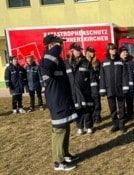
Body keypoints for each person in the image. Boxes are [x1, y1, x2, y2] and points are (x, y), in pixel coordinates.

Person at [39, 34, 78, 171]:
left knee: (65, 127)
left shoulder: (57, 60)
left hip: (63, 99)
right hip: (56, 101)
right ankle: (58, 162)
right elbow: (47, 66)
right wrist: (54, 49)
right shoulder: (47, 60)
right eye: (58, 44)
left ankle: (65, 154)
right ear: (50, 46)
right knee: (59, 130)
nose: (61, 47)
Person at [65, 43, 95, 135]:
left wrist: (94, 91)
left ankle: (89, 127)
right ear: (72, 51)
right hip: (72, 92)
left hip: (85, 91)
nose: (79, 52)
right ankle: (80, 127)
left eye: (80, 50)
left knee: (86, 109)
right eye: (77, 50)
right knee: (77, 110)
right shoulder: (66, 64)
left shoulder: (86, 63)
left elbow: (92, 77)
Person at [99, 43, 129, 133]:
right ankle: (115, 125)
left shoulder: (120, 61)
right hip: (110, 89)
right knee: (112, 108)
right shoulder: (104, 63)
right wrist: (102, 89)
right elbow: (102, 77)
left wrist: (125, 87)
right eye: (112, 49)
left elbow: (124, 75)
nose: (114, 50)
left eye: (115, 49)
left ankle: (122, 125)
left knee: (121, 108)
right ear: (108, 50)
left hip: (120, 89)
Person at [85, 46, 102, 124]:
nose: (93, 53)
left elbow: (100, 73)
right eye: (91, 52)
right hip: (87, 86)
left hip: (96, 85)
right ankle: (91, 116)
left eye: (93, 52)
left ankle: (97, 116)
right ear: (87, 52)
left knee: (97, 101)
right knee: (90, 102)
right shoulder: (84, 62)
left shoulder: (97, 62)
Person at [119, 46, 134, 122]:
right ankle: (122, 115)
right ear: (120, 53)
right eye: (124, 52)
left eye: (126, 52)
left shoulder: (130, 61)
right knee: (121, 102)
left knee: (129, 101)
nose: (126, 53)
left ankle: (129, 114)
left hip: (129, 84)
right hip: (120, 85)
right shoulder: (118, 62)